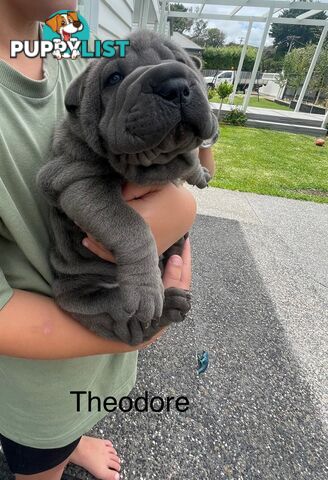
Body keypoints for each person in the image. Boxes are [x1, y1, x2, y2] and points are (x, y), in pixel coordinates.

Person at [0, 1, 215, 479]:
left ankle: (74, 441)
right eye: (114, 79)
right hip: (38, 385)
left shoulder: (70, 38)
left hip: (97, 362)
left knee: (86, 411)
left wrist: (181, 200)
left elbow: (165, 75)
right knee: (43, 457)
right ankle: (59, 449)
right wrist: (137, 335)